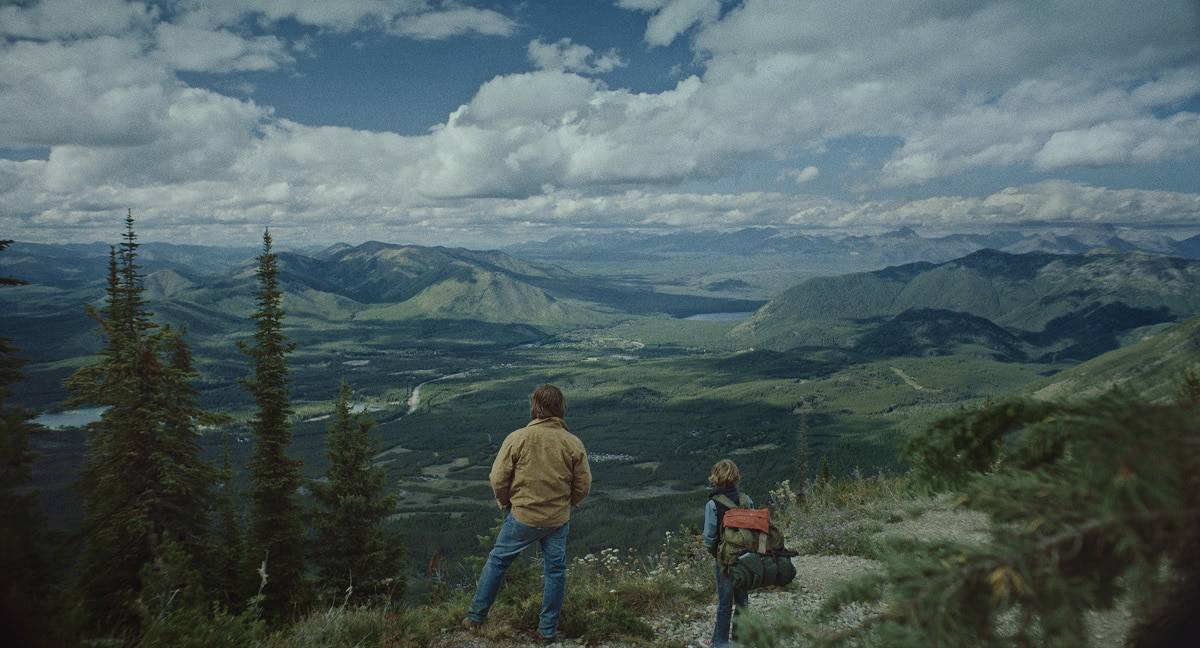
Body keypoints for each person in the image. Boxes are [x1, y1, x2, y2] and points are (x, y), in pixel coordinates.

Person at [464, 384, 592, 642]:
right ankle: (546, 631)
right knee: (555, 570)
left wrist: (506, 504)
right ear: (560, 408)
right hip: (557, 519)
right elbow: (583, 485)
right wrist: (567, 504)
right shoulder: (572, 442)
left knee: (498, 561)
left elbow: (497, 478)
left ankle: (476, 617)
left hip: (523, 516)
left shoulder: (518, 438)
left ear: (535, 407)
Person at [703, 458, 751, 647]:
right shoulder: (746, 500)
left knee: (724, 602)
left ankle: (720, 642)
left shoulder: (713, 504)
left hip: (725, 558)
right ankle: (739, 639)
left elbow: (709, 536)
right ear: (736, 477)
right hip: (747, 557)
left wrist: (715, 552)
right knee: (742, 599)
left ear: (716, 478)